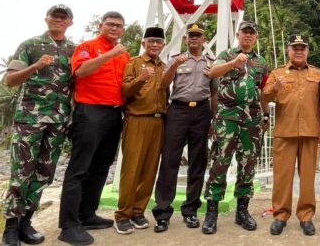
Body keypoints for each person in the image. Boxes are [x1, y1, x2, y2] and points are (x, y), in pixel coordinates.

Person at [1, 4, 76, 246]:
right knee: (21, 172)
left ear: (70, 23)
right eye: (55, 16)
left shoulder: (74, 50)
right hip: (29, 119)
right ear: (47, 19)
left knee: (45, 173)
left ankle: (26, 222)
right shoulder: (30, 45)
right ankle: (10, 228)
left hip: (58, 121)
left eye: (63, 18)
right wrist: (35, 67)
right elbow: (10, 80)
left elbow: (77, 86)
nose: (58, 20)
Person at [58, 11, 130, 246]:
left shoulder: (125, 55)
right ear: (101, 25)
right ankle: (68, 226)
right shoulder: (88, 47)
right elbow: (80, 72)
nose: (114, 28)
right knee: (79, 168)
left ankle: (87, 215)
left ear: (123, 29)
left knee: (101, 166)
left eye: (119, 26)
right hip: (90, 112)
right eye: (110, 24)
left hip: (114, 113)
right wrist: (110, 54)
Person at [201, 20, 269, 234]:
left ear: (256, 37)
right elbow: (212, 72)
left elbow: (263, 90)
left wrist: (266, 116)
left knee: (248, 163)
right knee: (220, 161)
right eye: (245, 33)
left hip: (252, 118)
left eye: (252, 33)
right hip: (228, 117)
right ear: (238, 35)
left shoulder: (261, 61)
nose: (248, 36)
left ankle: (242, 211)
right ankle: (211, 213)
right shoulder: (226, 54)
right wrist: (233, 63)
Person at [152, 23, 219, 233]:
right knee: (170, 160)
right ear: (186, 39)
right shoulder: (176, 59)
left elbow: (214, 93)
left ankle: (190, 211)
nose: (194, 39)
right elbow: (163, 84)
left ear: (204, 40)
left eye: (198, 36)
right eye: (191, 36)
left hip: (201, 113)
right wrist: (173, 66)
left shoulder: (211, 63)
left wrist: (214, 119)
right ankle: (163, 213)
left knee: (198, 162)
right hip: (178, 111)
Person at [262, 34, 320, 236]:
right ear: (289, 50)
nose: (298, 51)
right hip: (285, 132)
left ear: (307, 51)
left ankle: (306, 216)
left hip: (310, 131)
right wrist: (276, 87)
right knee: (282, 178)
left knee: (307, 178)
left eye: (302, 48)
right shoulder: (277, 73)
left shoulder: (317, 74)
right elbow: (265, 96)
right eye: (295, 48)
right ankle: (280, 215)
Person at [113, 27, 167, 235]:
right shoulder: (134, 63)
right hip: (137, 120)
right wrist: (142, 78)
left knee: (149, 169)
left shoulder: (164, 66)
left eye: (158, 42)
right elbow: (125, 91)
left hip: (158, 122)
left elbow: (166, 94)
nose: (154, 45)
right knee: (132, 169)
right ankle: (123, 215)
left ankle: (138, 210)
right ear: (144, 42)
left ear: (163, 44)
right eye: (151, 41)